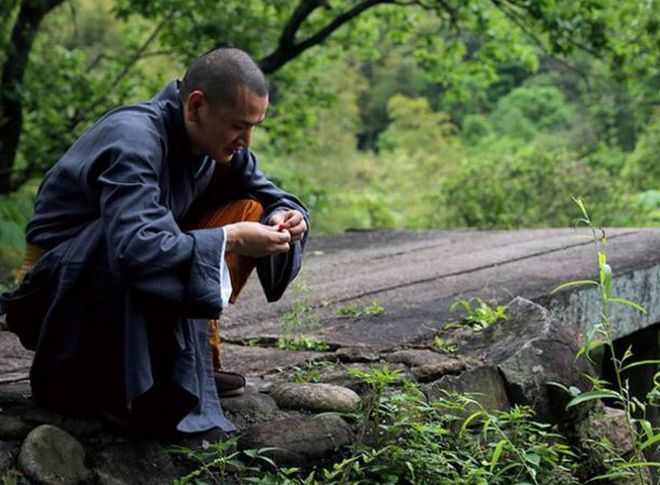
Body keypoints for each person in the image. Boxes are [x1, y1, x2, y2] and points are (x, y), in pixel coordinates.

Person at [0, 48, 309, 437]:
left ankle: (188, 364)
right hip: (62, 292)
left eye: (254, 127)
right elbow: (136, 247)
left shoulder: (217, 147)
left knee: (251, 207)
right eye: (237, 126)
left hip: (121, 275)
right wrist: (230, 237)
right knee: (135, 240)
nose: (246, 140)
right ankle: (104, 382)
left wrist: (286, 217)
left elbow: (272, 195)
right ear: (196, 106)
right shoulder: (134, 138)